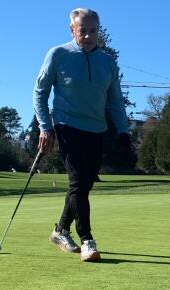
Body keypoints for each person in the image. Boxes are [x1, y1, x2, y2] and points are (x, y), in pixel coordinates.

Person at [33, 8, 130, 262]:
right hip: (67, 126)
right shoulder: (58, 54)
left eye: (93, 30)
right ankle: (87, 239)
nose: (88, 35)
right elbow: (40, 92)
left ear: (98, 30)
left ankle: (60, 230)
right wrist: (45, 126)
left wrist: (123, 131)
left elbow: (115, 101)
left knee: (85, 184)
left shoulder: (108, 63)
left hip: (97, 129)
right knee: (78, 182)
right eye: (82, 30)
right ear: (72, 30)